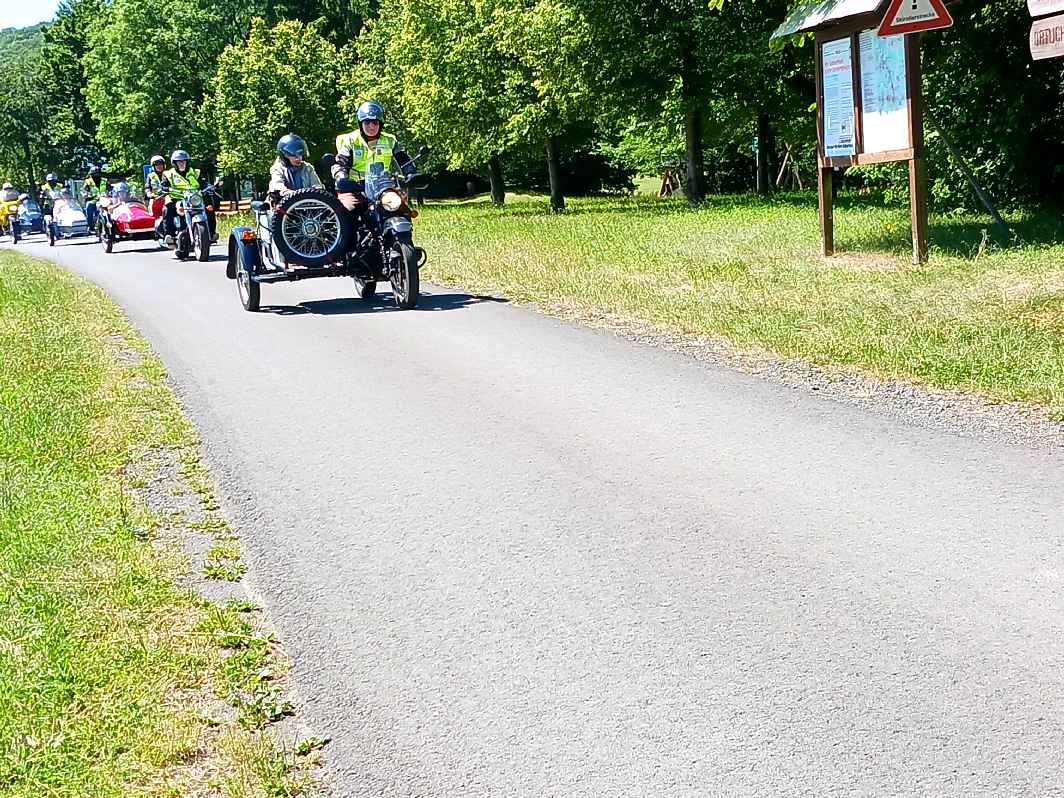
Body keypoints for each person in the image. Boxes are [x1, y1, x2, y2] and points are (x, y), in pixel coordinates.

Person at [332, 101, 415, 190]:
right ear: (360, 124)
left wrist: (410, 173)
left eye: (375, 123)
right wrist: (341, 177)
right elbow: (340, 163)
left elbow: (404, 160)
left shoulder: (390, 141)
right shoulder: (350, 140)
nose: (371, 127)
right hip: (354, 187)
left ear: (380, 124)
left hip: (383, 186)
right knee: (346, 199)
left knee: (396, 199)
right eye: (367, 123)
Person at [162, 149, 217, 243]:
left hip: (194, 198)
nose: (182, 163)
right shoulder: (168, 174)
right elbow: (164, 185)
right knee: (167, 209)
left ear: (187, 162)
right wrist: (165, 189)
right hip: (177, 198)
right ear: (174, 163)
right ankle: (169, 235)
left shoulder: (195, 172)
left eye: (184, 161)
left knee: (209, 208)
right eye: (179, 162)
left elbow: (203, 183)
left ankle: (211, 233)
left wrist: (209, 187)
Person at [268, 133, 322, 197]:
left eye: (300, 154)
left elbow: (317, 186)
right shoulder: (277, 169)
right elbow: (278, 185)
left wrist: (317, 190)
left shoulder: (307, 168)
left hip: (307, 201)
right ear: (285, 156)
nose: (299, 158)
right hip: (284, 201)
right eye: (294, 156)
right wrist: (289, 193)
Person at [144, 154, 168, 219]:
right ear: (153, 166)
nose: (159, 166)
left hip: (167, 198)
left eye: (161, 164)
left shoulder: (168, 174)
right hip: (155, 199)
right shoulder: (150, 176)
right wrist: (149, 194)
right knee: (153, 215)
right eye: (156, 165)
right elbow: (147, 187)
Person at [82, 165, 104, 230]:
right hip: (91, 200)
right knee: (89, 208)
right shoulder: (88, 181)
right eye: (95, 174)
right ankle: (91, 226)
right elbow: (83, 190)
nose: (97, 175)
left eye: (98, 173)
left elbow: (110, 188)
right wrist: (86, 194)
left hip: (103, 199)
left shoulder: (104, 181)